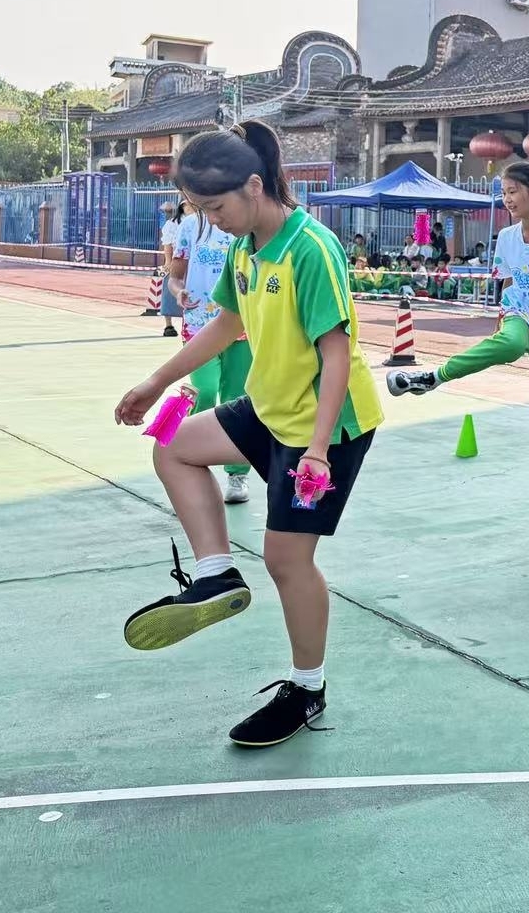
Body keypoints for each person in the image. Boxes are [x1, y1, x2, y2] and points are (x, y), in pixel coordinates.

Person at [113, 120, 383, 748]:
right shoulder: (244, 250)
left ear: (254, 186)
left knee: (287, 560)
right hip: (269, 406)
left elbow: (336, 355)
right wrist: (156, 381)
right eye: (200, 211)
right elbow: (225, 325)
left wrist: (317, 449)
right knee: (173, 446)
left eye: (216, 208)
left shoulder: (311, 248)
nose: (212, 222)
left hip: (326, 425)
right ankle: (216, 574)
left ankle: (307, 689)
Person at [386, 160, 529, 541]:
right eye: (503, 193)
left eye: (513, 192)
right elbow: (507, 285)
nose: (507, 199)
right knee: (511, 342)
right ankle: (432, 377)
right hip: (519, 314)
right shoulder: (506, 238)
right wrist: (505, 322)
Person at [170, 204, 253, 505]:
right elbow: (175, 276)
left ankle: (237, 474)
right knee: (204, 392)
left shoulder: (244, 226)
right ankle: (191, 456)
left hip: (241, 326)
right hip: (199, 325)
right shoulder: (189, 227)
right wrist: (178, 291)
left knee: (236, 399)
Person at [158, 202, 184, 338]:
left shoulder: (201, 222)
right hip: (176, 261)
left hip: (192, 263)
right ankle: (168, 325)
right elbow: (167, 244)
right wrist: (168, 262)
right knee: (169, 292)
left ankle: (188, 323)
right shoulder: (172, 224)